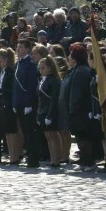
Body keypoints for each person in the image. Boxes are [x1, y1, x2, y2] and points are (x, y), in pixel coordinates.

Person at [13, 39, 40, 168]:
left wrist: (29, 103)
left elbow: (31, 85)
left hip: (27, 103)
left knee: (30, 132)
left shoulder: (30, 63)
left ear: (28, 49)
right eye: (17, 47)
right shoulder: (19, 63)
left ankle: (33, 158)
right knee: (24, 132)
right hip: (19, 102)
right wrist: (15, 102)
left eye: (21, 47)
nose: (18, 49)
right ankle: (29, 155)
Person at [37, 57, 63, 167]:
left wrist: (50, 115)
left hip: (50, 112)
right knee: (48, 137)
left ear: (50, 68)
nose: (41, 70)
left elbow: (54, 99)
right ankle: (52, 159)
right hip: (42, 111)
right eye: (40, 68)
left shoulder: (53, 81)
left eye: (43, 68)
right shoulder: (43, 80)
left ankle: (56, 160)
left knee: (53, 136)